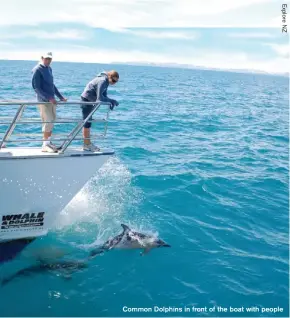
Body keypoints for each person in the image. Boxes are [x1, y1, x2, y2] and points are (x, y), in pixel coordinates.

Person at [32, 52, 67, 153]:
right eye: (47, 58)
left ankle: (48, 142)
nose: (48, 60)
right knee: (47, 121)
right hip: (44, 101)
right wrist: (48, 98)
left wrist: (60, 97)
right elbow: (36, 88)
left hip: (51, 101)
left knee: (52, 121)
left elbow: (52, 85)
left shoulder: (49, 69)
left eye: (50, 59)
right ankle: (44, 145)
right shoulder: (37, 70)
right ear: (42, 58)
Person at [80, 70, 119, 151]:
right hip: (86, 100)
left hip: (90, 100)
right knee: (87, 123)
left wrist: (110, 101)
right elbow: (99, 99)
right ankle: (86, 144)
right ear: (109, 77)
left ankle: (87, 143)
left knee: (88, 122)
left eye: (116, 81)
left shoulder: (106, 82)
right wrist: (111, 101)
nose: (114, 83)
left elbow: (104, 96)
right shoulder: (102, 81)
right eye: (114, 80)